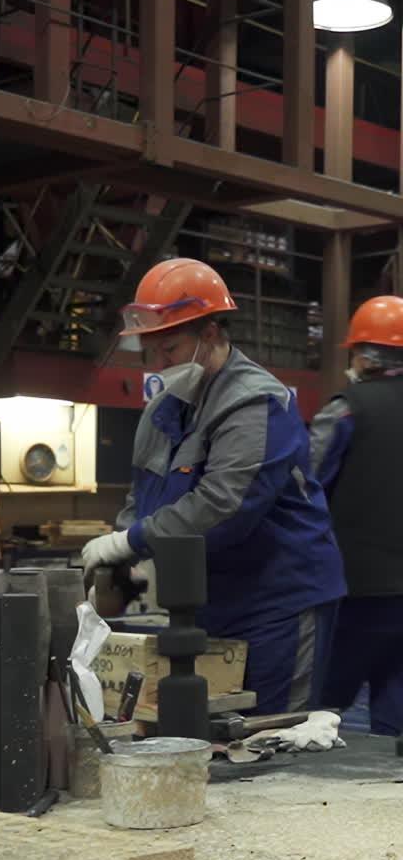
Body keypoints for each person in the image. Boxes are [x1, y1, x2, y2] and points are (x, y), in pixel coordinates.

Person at [81, 257, 346, 714]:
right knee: (218, 734)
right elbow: (142, 495)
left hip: (279, 601)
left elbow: (224, 506)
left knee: (273, 733)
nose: (160, 363)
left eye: (172, 349)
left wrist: (132, 540)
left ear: (210, 334)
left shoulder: (255, 402)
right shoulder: (164, 409)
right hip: (213, 600)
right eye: (152, 351)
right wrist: (123, 564)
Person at [309, 295, 403, 735]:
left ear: (361, 354)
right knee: (395, 717)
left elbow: (303, 486)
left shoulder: (347, 409)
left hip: (355, 590)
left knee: (321, 713)